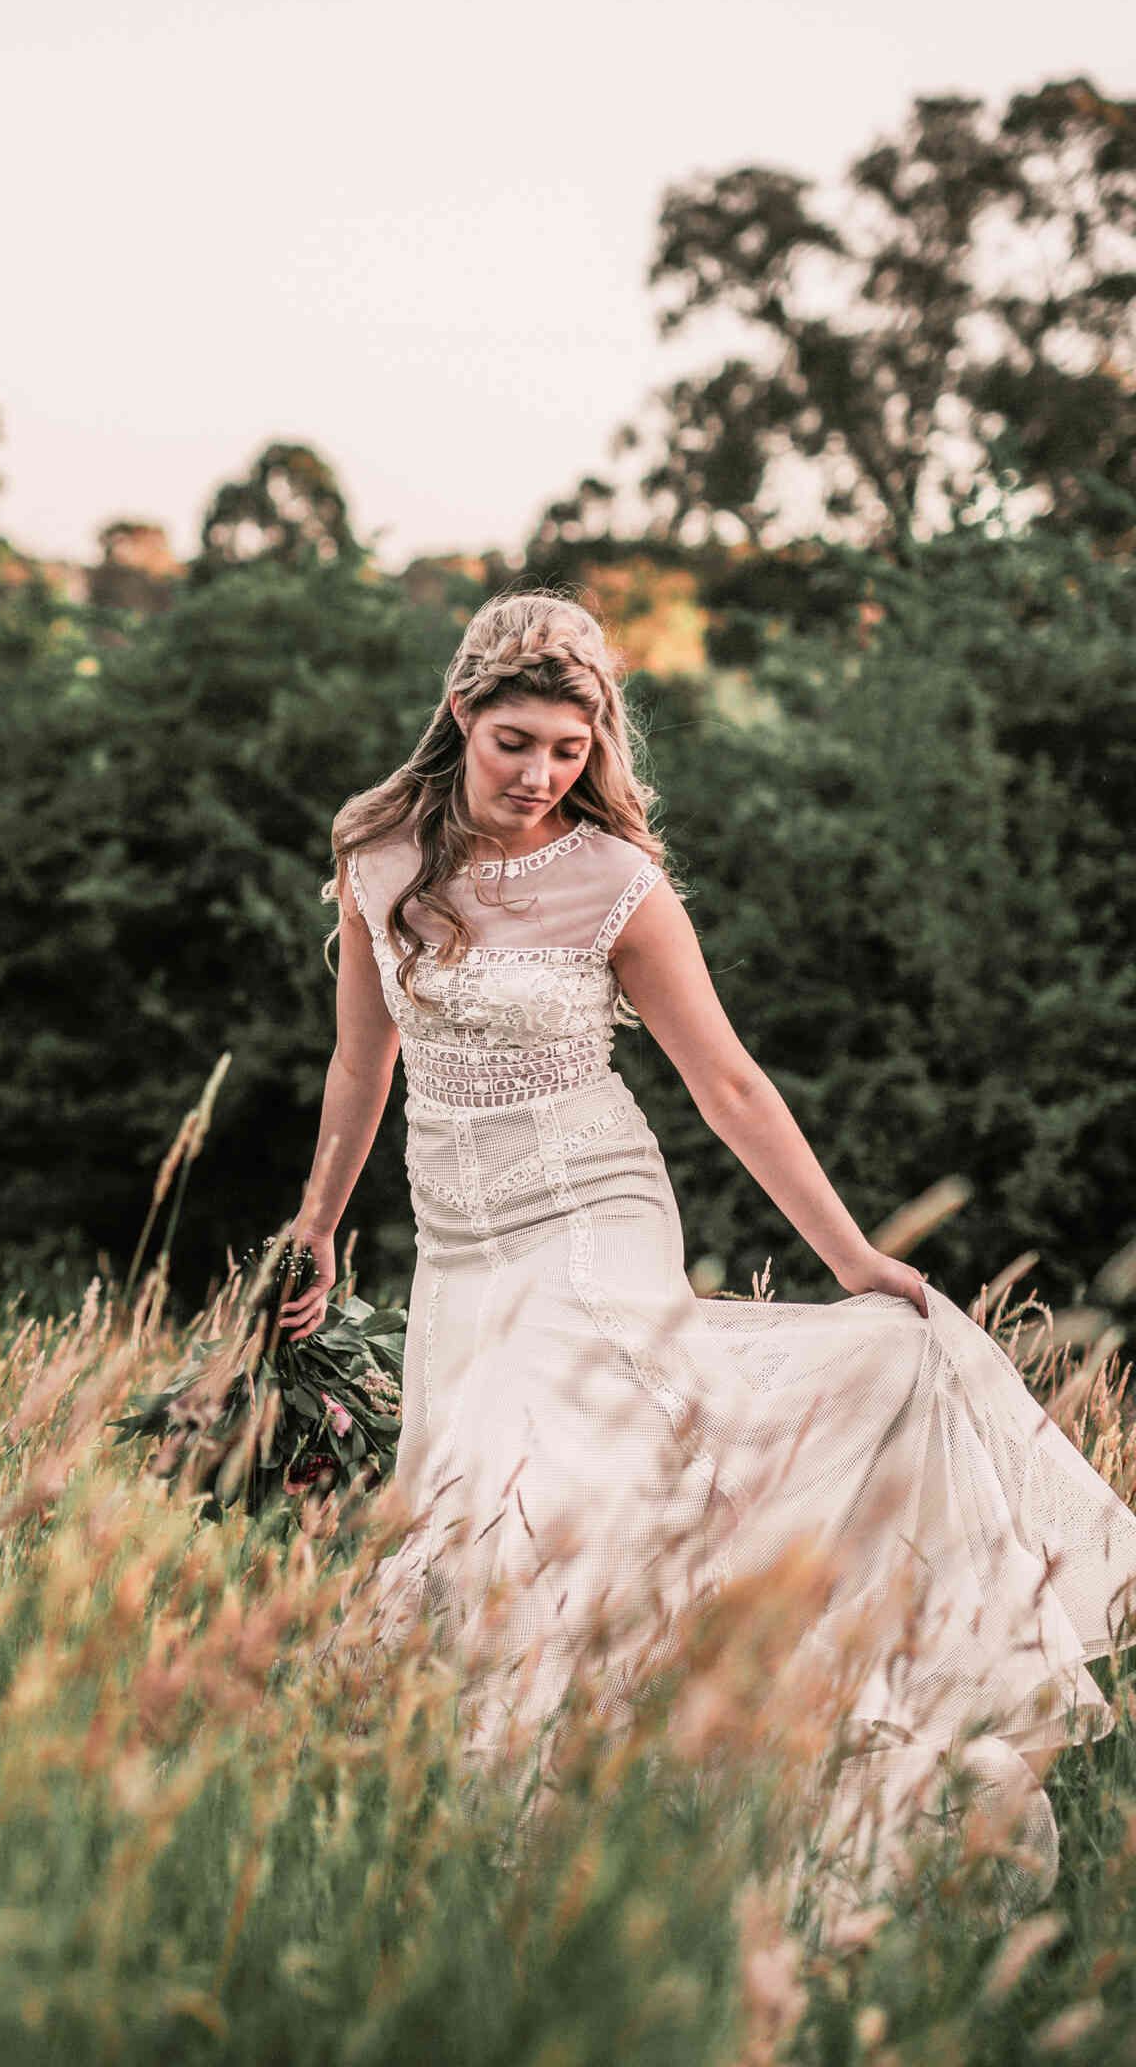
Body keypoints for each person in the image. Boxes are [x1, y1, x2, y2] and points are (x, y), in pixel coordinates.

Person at [279, 588, 1136, 1891]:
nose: (539, 774)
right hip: (457, 1243)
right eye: (515, 743)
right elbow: (360, 1064)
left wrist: (854, 1259)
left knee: (546, 1493)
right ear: (460, 715)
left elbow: (729, 1085)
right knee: (503, 1508)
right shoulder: (378, 855)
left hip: (590, 1213)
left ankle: (562, 1835)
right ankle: (601, 1830)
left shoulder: (618, 884)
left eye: (568, 751)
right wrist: (319, 1223)